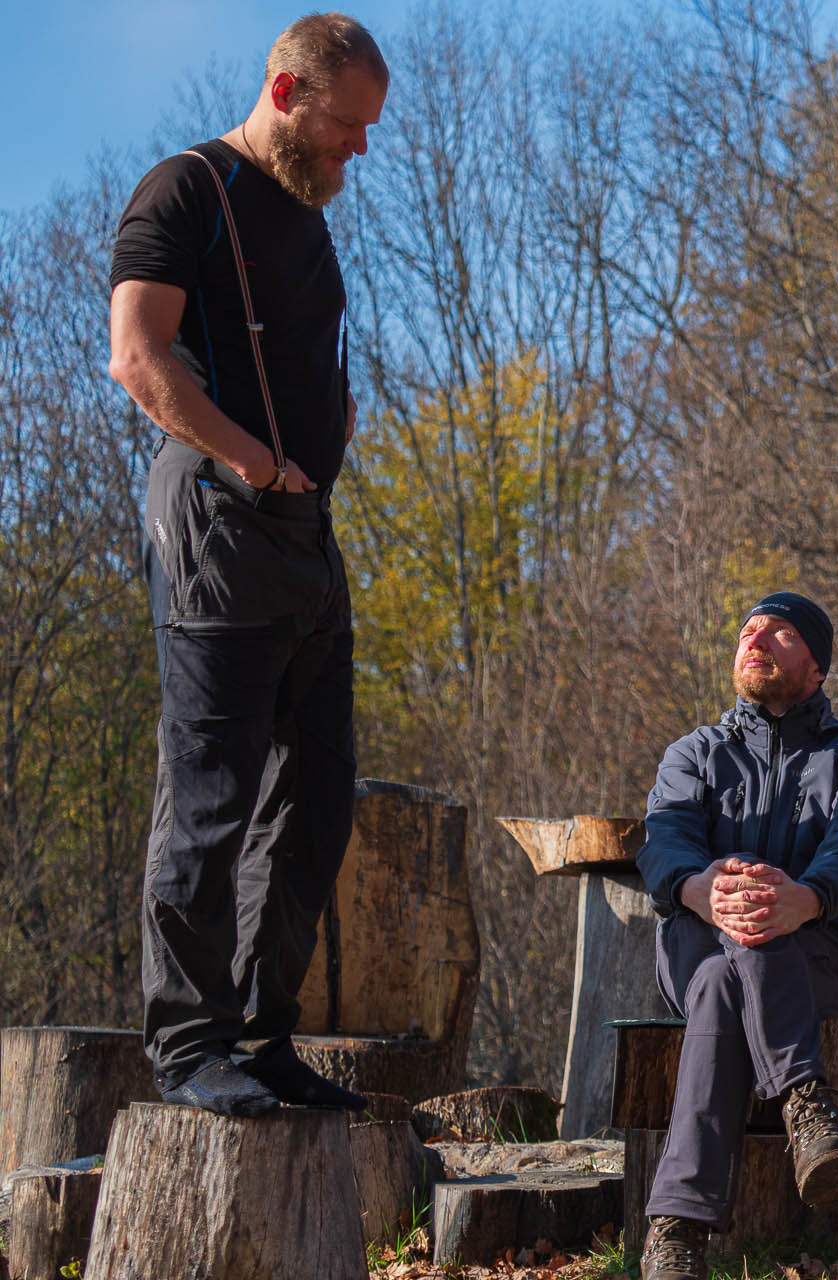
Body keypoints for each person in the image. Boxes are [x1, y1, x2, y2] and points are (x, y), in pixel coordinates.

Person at [107, 13, 387, 1117]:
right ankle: (188, 1045)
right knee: (211, 798)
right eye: (344, 126)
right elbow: (139, 353)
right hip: (221, 522)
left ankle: (264, 1036)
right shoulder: (184, 190)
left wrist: (310, 472)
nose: (357, 149)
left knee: (315, 800)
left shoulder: (308, 221)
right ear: (284, 92)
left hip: (309, 536)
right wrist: (257, 466)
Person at [636, 592, 838, 1280]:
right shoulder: (693, 753)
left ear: (816, 668)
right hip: (693, 948)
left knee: (735, 971)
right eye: (748, 630)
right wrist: (702, 890)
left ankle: (675, 1235)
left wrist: (805, 899)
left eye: (778, 633)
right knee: (727, 953)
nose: (755, 639)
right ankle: (807, 1106)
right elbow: (663, 844)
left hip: (820, 954)